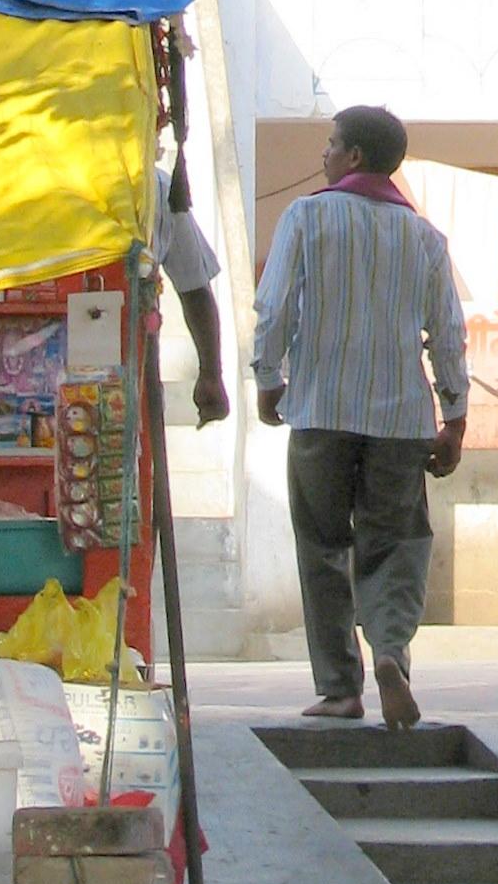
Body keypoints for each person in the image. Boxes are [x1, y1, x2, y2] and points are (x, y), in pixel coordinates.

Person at [252, 105, 467, 728]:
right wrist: (454, 415)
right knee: (395, 543)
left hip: (320, 409)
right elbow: (447, 333)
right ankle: (392, 652)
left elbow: (273, 309)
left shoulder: (308, 216)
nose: (323, 155)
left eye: (330, 144)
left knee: (323, 546)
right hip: (402, 419)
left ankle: (341, 689)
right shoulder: (425, 238)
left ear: (352, 158)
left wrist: (268, 381)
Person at [155, 157, 229, 426]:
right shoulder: (157, 187)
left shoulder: (158, 189)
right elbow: (195, 290)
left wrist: (211, 374)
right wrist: (211, 373)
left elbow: (195, 289)